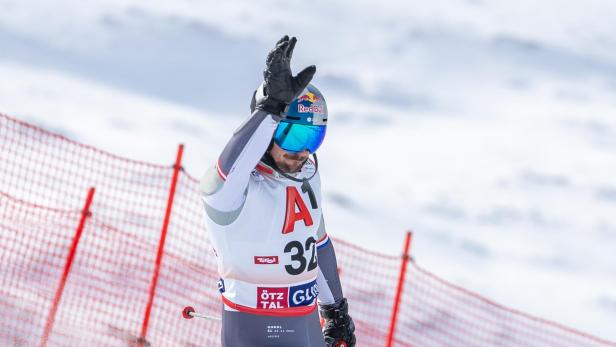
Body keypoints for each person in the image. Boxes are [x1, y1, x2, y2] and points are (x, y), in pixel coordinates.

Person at [199, 35, 356, 347]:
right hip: (253, 327)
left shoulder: (308, 177)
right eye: (293, 135)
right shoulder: (232, 193)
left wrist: (335, 309)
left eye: (312, 138)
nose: (301, 152)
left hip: (304, 321)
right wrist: (270, 109)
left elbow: (317, 245)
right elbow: (228, 170)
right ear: (269, 129)